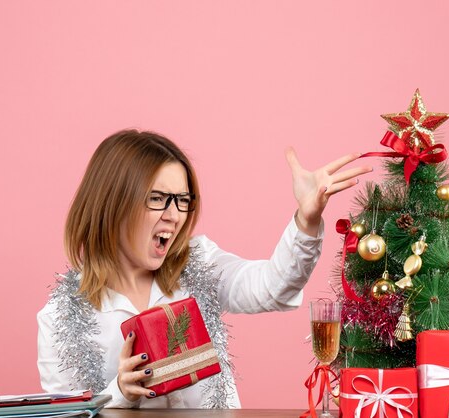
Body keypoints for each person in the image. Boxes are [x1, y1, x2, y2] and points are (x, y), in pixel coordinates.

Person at [37, 129, 371, 409]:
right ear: (113, 203)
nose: (175, 214)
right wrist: (121, 394)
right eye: (158, 198)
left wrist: (307, 218)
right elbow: (69, 417)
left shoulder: (198, 262)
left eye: (183, 199)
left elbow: (273, 287)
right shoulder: (60, 317)